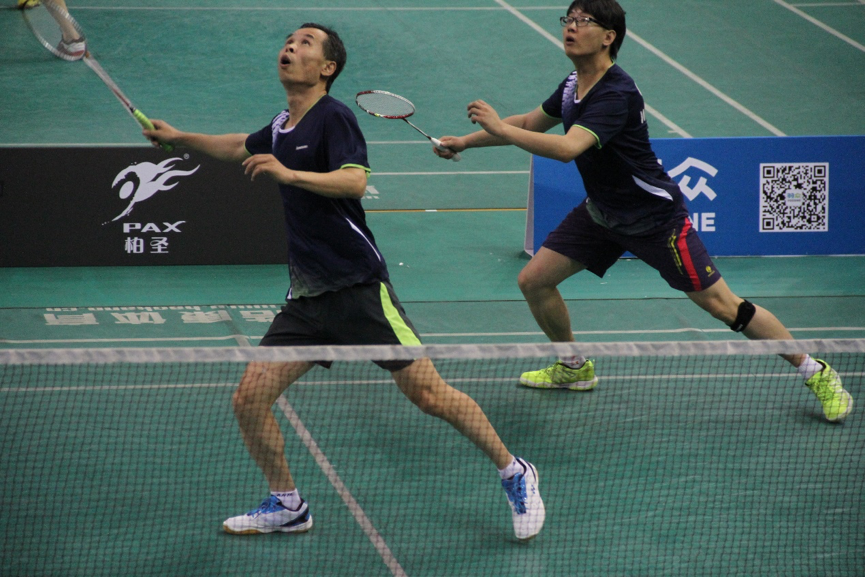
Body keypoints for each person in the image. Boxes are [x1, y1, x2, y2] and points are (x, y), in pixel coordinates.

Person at [143, 23, 544, 540]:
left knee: (428, 395)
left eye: (306, 43)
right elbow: (239, 146)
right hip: (308, 298)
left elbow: (355, 180)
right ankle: (287, 504)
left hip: (358, 287)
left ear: (327, 68)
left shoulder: (334, 117)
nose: (291, 46)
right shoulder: (282, 123)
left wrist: (290, 175)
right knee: (249, 398)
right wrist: (179, 138)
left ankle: (515, 471)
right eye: (290, 40)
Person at [433, 0, 852, 423]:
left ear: (608, 36)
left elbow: (567, 148)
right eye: (568, 19)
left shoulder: (616, 93)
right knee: (534, 281)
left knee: (724, 306)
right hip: (602, 213)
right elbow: (529, 123)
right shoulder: (572, 83)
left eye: (583, 21)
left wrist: (499, 128)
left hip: (655, 221)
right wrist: (466, 142)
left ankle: (815, 370)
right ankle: (574, 367)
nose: (571, 27)